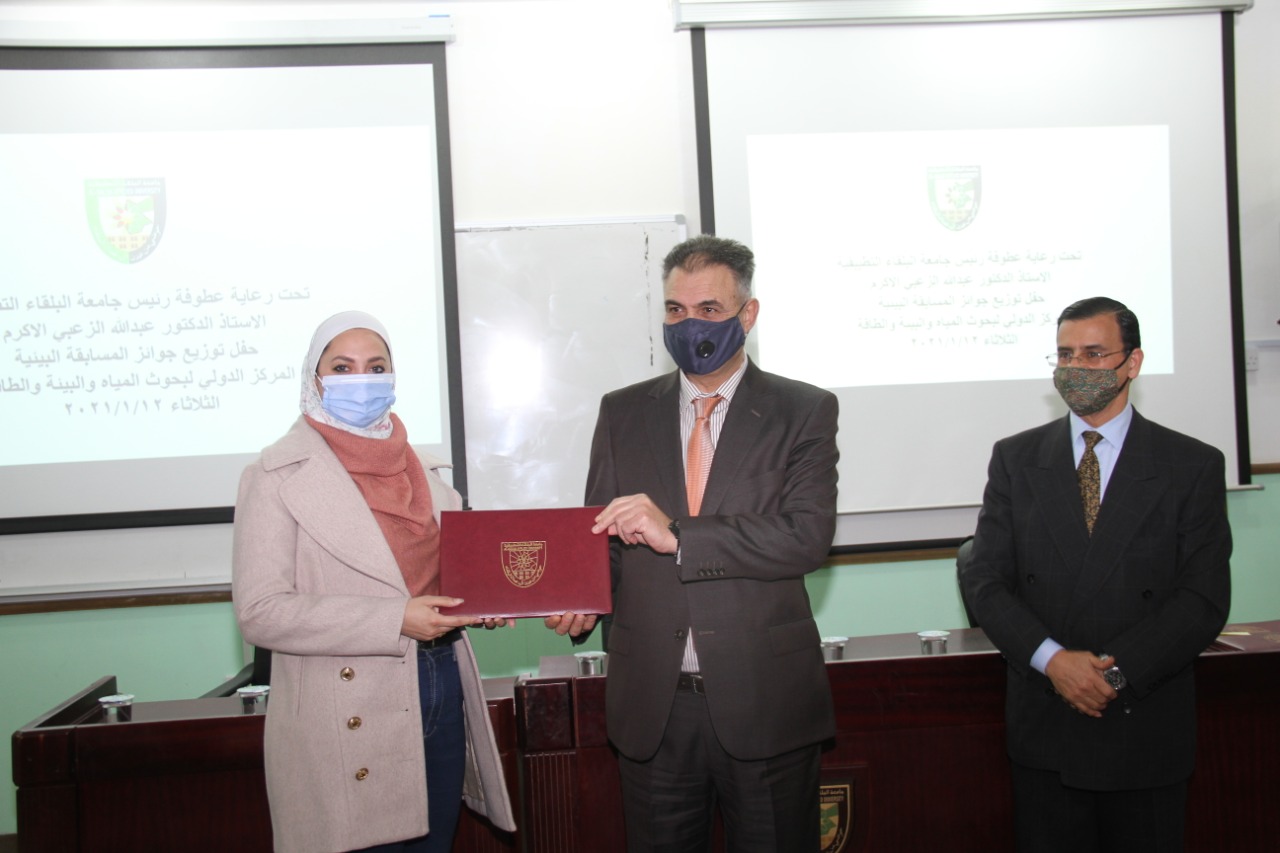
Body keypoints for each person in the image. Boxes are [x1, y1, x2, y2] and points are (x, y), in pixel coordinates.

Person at [549, 235, 839, 852]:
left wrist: (679, 535)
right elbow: (600, 537)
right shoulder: (623, 412)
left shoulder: (803, 410)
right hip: (653, 707)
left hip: (765, 701)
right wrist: (579, 598)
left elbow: (806, 538)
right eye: (675, 310)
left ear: (747, 314)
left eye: (708, 309)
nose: (690, 325)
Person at [232, 311, 515, 853]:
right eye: (342, 367)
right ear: (315, 379)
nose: (361, 380)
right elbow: (260, 612)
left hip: (438, 679)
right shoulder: (273, 475)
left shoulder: (427, 472)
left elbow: (445, 578)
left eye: (376, 366)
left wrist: (488, 599)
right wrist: (394, 620)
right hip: (343, 704)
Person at [960, 296, 1232, 853]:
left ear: (1132, 362)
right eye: (1065, 355)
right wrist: (1054, 662)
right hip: (1047, 724)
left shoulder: (1191, 464)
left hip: (1143, 725)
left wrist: (1113, 675)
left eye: (1093, 353)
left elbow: (1202, 598)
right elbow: (985, 579)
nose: (1075, 367)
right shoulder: (1016, 458)